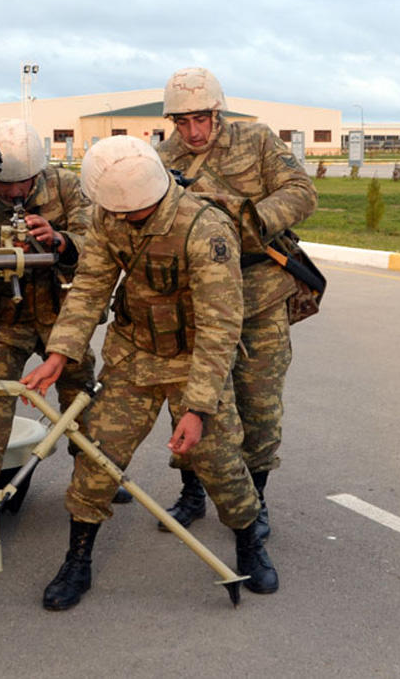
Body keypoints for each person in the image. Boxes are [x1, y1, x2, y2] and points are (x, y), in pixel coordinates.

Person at [21, 136, 278, 611]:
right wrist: (59, 355)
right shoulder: (106, 216)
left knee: (220, 463)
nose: (124, 220)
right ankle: (78, 559)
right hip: (133, 356)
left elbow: (221, 326)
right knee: (97, 457)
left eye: (132, 213)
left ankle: (249, 544)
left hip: (194, 361)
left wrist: (198, 407)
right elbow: (91, 287)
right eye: (116, 212)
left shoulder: (206, 229)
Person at [155, 67, 317, 540]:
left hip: (259, 292)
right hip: (196, 300)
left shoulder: (257, 141)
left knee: (258, 403)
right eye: (182, 122)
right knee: (190, 400)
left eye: (201, 118)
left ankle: (255, 499)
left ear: (217, 111)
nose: (194, 131)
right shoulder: (162, 158)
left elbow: (302, 193)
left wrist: (250, 222)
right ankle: (192, 492)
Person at [0, 118, 100, 587]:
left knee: (83, 400)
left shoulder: (69, 188)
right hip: (4, 320)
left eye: (23, 184)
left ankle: (97, 477)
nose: (14, 193)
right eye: (6, 184)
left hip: (59, 317)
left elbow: (96, 246)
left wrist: (60, 240)